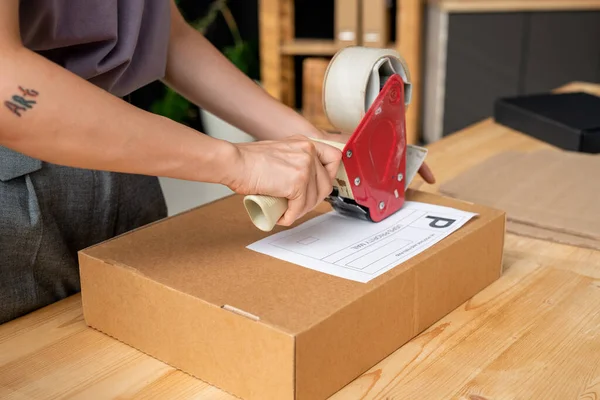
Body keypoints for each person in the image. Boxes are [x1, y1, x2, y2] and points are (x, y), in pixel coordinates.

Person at [0, 0, 435, 324]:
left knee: (144, 333)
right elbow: (7, 84)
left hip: (125, 145)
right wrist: (236, 161)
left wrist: (309, 140)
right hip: (18, 180)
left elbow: (166, 35)